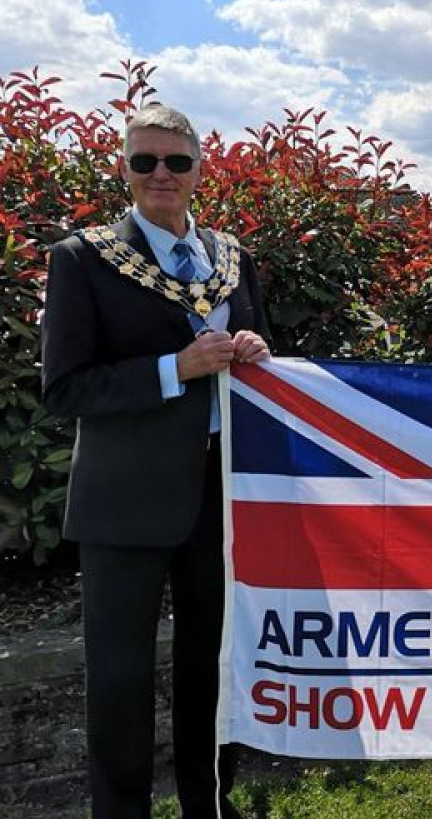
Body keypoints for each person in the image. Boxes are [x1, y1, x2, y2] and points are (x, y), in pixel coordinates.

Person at [42, 103, 271, 819]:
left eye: (175, 161)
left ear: (201, 170)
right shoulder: (81, 259)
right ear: (124, 169)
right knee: (118, 679)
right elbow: (65, 387)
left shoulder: (234, 258)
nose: (160, 174)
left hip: (220, 491)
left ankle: (209, 804)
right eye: (145, 161)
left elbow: (255, 350)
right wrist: (174, 368)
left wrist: (257, 355)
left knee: (214, 667)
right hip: (124, 501)